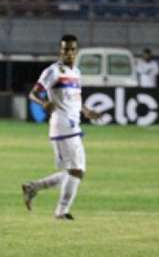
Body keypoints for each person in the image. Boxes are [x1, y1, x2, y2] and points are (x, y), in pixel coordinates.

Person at [22, 34, 101, 221]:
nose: (70, 53)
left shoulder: (76, 72)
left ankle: (33, 187)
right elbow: (33, 94)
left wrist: (86, 110)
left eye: (73, 49)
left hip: (74, 125)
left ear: (77, 51)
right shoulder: (53, 71)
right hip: (62, 125)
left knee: (73, 171)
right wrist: (43, 103)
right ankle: (61, 211)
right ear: (60, 50)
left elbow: (74, 98)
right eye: (66, 49)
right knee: (77, 170)